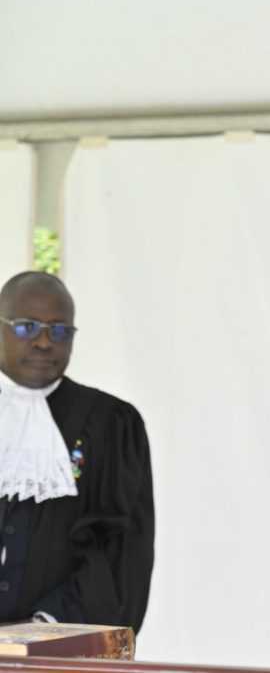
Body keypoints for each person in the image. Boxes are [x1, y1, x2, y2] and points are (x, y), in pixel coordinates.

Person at [0, 271, 153, 632]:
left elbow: (123, 548)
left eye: (59, 330)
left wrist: (46, 625)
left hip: (59, 642)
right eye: (26, 327)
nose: (43, 342)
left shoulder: (111, 424)